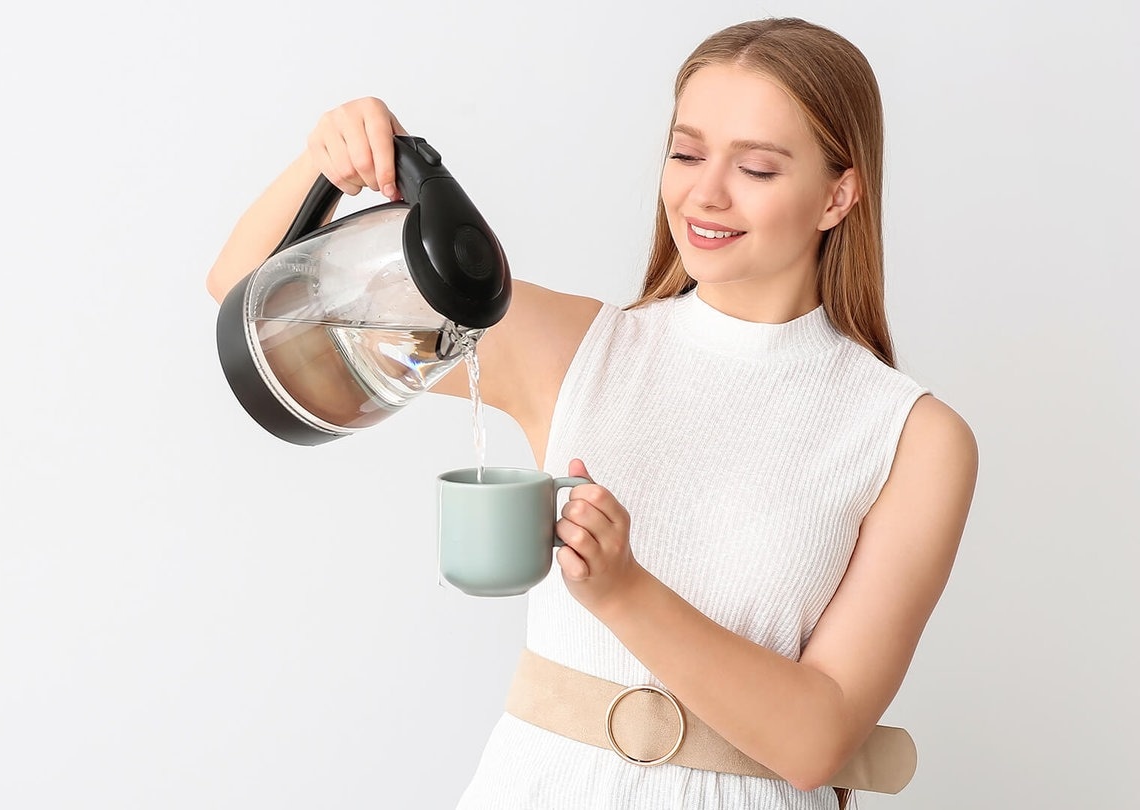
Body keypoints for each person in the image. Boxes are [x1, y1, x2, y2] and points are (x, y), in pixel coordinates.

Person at [205, 16, 978, 810]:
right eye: (685, 153)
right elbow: (248, 295)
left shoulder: (912, 437)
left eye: (755, 167)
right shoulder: (574, 348)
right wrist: (325, 162)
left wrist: (623, 592)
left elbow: (817, 740)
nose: (704, 193)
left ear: (838, 194)